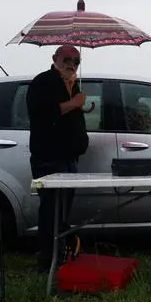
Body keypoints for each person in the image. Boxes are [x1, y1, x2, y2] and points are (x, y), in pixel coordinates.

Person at [26, 44, 89, 272]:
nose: (72, 63)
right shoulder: (43, 81)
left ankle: (59, 254)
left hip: (69, 158)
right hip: (50, 159)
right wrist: (74, 103)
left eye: (76, 60)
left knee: (61, 212)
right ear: (55, 58)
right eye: (67, 59)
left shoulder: (71, 84)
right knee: (52, 211)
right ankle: (47, 261)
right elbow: (41, 113)